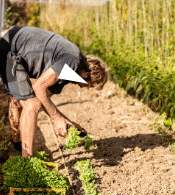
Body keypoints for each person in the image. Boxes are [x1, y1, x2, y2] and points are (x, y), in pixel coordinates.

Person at [0, 26, 109, 157]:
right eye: (88, 85)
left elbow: (43, 98)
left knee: (21, 101)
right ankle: (27, 161)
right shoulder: (73, 60)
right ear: (86, 74)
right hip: (10, 47)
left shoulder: (67, 75)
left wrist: (67, 122)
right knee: (32, 105)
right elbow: (38, 87)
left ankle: (17, 147)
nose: (84, 87)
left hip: (15, 50)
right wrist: (56, 118)